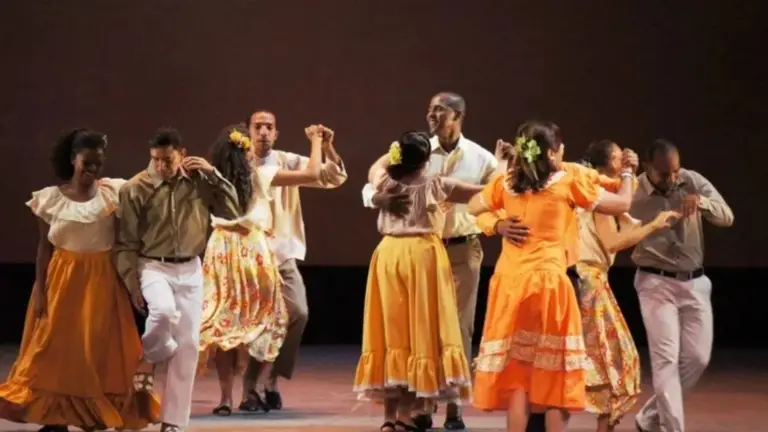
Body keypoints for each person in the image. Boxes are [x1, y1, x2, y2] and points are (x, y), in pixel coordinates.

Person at [468, 121, 636, 432]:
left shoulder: (506, 182)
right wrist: (627, 173)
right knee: (555, 374)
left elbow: (473, 207)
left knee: (518, 377)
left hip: (509, 285)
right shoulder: (568, 181)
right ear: (553, 152)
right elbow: (622, 203)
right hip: (547, 285)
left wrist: (498, 225)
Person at [0, 129, 159, 432]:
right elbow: (44, 249)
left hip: (101, 281)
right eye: (87, 163)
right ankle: (55, 417)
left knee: (93, 351)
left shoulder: (112, 193)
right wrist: (41, 291)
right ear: (73, 159)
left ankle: (91, 412)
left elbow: (148, 181)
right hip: (62, 281)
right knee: (54, 350)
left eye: (98, 164)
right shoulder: (49, 199)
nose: (93, 169)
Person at [362, 92, 497, 430]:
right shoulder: (435, 184)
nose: (431, 114)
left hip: (401, 254)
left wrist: (382, 188)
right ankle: (414, 410)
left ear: (458, 115)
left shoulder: (390, 178)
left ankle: (405, 414)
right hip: (424, 256)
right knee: (421, 329)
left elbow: (376, 170)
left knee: (409, 329)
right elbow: (484, 193)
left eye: (439, 109)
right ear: (424, 160)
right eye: (430, 109)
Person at [114, 127, 241, 432]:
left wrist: (213, 174)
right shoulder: (135, 188)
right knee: (163, 311)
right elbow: (126, 243)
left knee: (188, 345)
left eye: (167, 160)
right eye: (156, 159)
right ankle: (150, 356)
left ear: (182, 155)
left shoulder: (199, 182)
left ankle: (173, 422)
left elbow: (232, 210)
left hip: (190, 267)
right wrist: (132, 284)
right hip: (152, 265)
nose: (161, 166)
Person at [198, 124, 325, 415]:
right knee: (243, 324)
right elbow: (312, 173)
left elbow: (312, 175)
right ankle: (239, 394)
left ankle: (235, 395)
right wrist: (316, 140)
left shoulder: (234, 176)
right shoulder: (228, 178)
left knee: (236, 325)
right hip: (241, 254)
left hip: (236, 254)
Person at [241, 111, 348, 410]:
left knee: (298, 311)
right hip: (250, 256)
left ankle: (272, 377)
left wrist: (326, 147)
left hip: (282, 254)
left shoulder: (286, 161)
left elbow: (333, 177)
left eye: (269, 127)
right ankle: (249, 388)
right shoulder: (240, 164)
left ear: (276, 134)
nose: (263, 131)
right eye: (258, 126)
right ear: (249, 131)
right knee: (258, 322)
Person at [576, 140, 681, 432]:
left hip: (591, 280)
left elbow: (625, 208)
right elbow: (613, 241)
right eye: (616, 156)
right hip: (589, 282)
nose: (622, 159)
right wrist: (653, 225)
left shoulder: (593, 190)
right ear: (605, 165)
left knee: (603, 362)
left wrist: (629, 175)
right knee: (615, 362)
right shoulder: (599, 195)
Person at [630, 139, 733, 432]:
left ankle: (649, 417)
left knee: (698, 358)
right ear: (647, 168)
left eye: (675, 171)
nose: (673, 178)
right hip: (655, 282)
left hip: (694, 282)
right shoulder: (634, 190)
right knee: (665, 360)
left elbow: (727, 217)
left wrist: (702, 203)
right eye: (664, 174)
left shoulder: (692, 181)